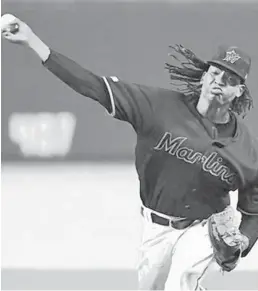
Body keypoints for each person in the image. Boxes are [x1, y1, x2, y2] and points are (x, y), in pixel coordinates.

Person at [2, 15, 258, 291]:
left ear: (239, 91)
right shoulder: (158, 107)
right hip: (155, 228)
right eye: (215, 73)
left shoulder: (244, 149)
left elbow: (253, 207)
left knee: (182, 284)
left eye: (229, 79)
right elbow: (93, 85)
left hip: (202, 230)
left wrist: (243, 241)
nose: (219, 81)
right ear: (205, 75)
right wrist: (33, 41)